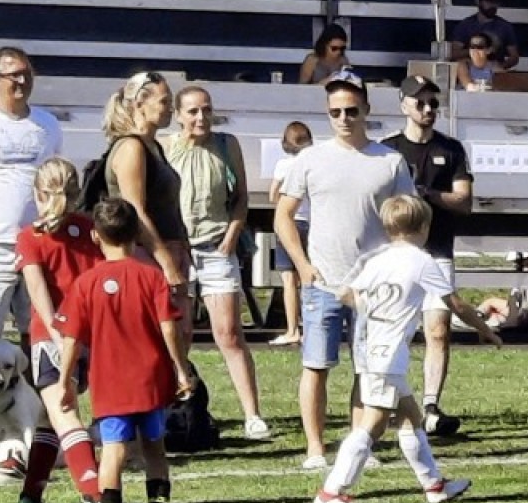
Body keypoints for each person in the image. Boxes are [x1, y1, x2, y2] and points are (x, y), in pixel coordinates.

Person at [274, 80, 416, 471]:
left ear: (366, 111)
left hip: (373, 288)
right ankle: (315, 448)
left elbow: (409, 217)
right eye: (335, 112)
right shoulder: (310, 159)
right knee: (315, 365)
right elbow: (283, 215)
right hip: (322, 282)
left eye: (351, 111)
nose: (344, 119)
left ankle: (359, 445)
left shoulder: (389, 161)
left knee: (368, 370)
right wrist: (302, 265)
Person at [312, 194, 473, 503]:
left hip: (372, 348)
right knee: (372, 425)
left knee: (412, 418)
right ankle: (331, 492)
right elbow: (454, 302)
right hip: (386, 355)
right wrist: (485, 329)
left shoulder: (377, 258)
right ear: (424, 227)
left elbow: (346, 293)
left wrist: (369, 309)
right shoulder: (422, 261)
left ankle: (434, 486)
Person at [55, 196, 186, 503]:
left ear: (95, 236)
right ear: (136, 234)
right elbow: (169, 327)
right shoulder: (151, 276)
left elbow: (72, 338)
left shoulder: (86, 283)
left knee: (113, 452)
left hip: (110, 382)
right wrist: (179, 367)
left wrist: (65, 381)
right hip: (151, 379)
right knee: (155, 449)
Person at [386, 75, 497, 436]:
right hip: (397, 254)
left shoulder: (451, 149)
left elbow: (463, 200)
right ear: (404, 105)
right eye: (420, 102)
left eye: (433, 103)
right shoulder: (387, 150)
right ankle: (392, 401)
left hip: (437, 251)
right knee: (396, 331)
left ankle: (431, 405)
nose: (428, 109)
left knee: (438, 329)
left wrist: (428, 195)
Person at [166, 84, 269, 438]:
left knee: (229, 332)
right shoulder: (166, 147)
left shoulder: (227, 145)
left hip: (216, 247)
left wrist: (231, 236)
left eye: (206, 110)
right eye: (193, 111)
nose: (201, 117)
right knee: (180, 333)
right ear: (178, 115)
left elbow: (240, 197)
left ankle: (252, 414)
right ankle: (179, 408)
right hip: (178, 249)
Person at [9, 157, 104, 503]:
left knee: (63, 413)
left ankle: (94, 493)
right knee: (50, 417)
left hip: (53, 339)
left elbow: (40, 298)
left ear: (37, 193)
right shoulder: (90, 229)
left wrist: (59, 340)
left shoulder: (30, 237)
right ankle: (30, 497)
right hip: (90, 335)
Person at [0, 47, 63, 342]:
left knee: (39, 332)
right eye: (14, 75)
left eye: (27, 74)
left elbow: (54, 178)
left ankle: (34, 375)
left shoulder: (47, 124)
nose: (22, 81)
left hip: (37, 242)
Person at [98, 71, 191, 302]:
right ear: (140, 104)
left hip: (166, 250)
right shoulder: (132, 147)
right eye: (164, 102)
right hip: (143, 254)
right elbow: (136, 211)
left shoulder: (153, 147)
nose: (171, 108)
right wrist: (168, 266)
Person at [268, 120, 314, 349]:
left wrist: (283, 204)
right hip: (310, 223)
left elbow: (272, 195)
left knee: (289, 280)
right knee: (309, 278)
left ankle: (292, 329)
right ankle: (310, 329)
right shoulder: (313, 164)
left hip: (289, 223)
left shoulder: (283, 165)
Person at [449, 0, 519, 69]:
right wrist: (476, 49)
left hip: (496, 71)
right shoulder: (465, 25)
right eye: (488, 1)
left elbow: (514, 57)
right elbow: (454, 54)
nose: (492, 5)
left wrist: (501, 67)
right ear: (478, 1)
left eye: (495, 2)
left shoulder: (505, 26)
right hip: (471, 71)